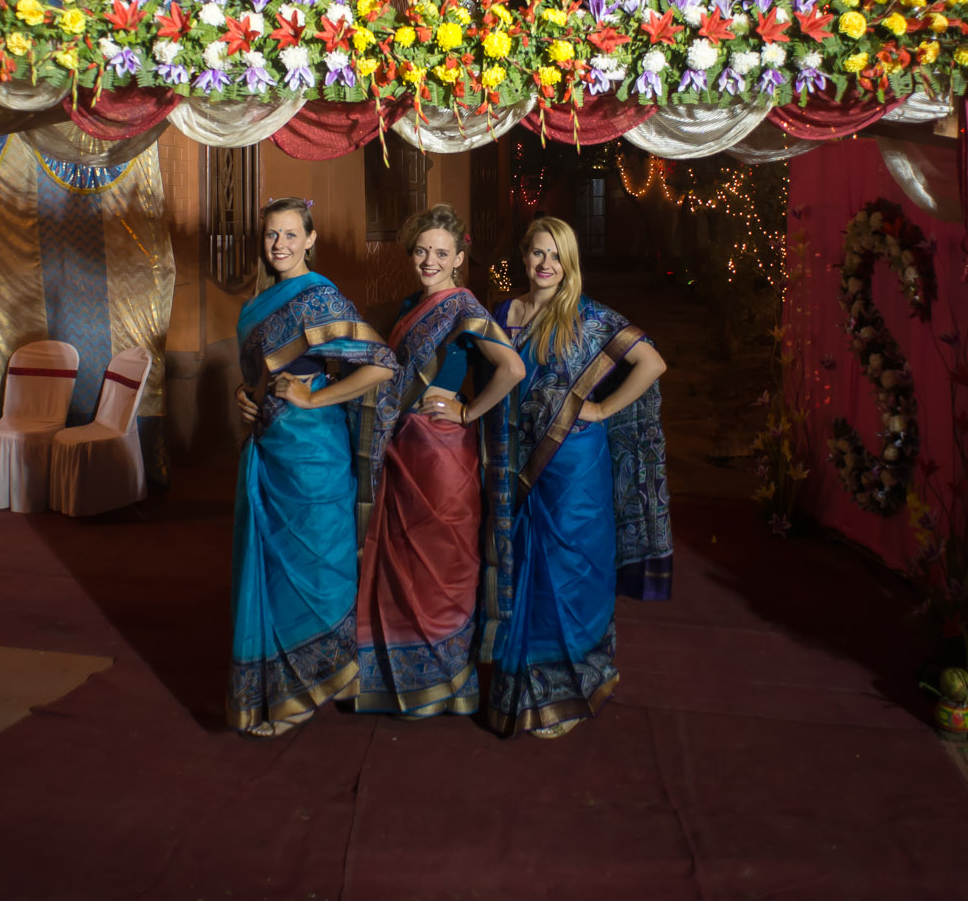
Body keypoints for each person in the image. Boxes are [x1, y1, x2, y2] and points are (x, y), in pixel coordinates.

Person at [484, 215, 671, 739]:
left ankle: (569, 684)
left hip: (574, 468)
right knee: (520, 569)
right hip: (516, 463)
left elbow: (651, 363)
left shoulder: (589, 318)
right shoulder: (504, 312)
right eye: (538, 254)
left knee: (569, 569)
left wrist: (603, 408)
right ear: (525, 257)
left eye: (556, 256)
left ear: (570, 263)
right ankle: (522, 683)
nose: (546, 265)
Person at [227, 197, 400, 738]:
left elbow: (382, 366)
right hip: (268, 453)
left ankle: (319, 683)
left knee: (323, 571)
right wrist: (245, 396)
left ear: (310, 238)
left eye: (290, 235)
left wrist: (313, 399)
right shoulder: (255, 307)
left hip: (316, 458)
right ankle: (293, 687)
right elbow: (257, 376)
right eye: (272, 235)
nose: (279, 244)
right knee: (275, 574)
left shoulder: (321, 297)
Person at [354, 204, 525, 720]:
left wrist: (468, 408)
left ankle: (448, 679)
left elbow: (511, 367)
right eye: (422, 251)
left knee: (441, 563)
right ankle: (394, 677)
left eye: (440, 253)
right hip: (401, 446)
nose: (429, 260)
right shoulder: (410, 304)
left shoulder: (466, 307)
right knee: (400, 559)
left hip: (442, 455)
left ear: (458, 260)